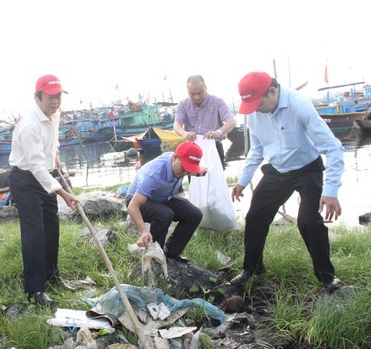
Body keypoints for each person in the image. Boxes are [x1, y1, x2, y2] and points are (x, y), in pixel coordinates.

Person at [230, 72, 345, 292]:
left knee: (308, 222)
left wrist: (330, 191)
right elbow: (257, 149)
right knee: (255, 217)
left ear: (272, 92)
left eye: (258, 103)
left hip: (307, 169)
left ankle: (327, 277)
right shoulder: (255, 113)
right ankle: (251, 269)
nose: (256, 109)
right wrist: (242, 181)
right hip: (277, 170)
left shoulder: (299, 105)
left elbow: (333, 147)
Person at [8, 74, 79, 306]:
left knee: (52, 228)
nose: (55, 101)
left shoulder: (54, 116)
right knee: (34, 233)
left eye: (58, 96)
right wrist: (63, 192)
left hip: (46, 175)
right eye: (50, 97)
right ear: (37, 97)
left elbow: (52, 142)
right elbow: (36, 167)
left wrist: (55, 153)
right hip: (26, 180)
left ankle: (52, 276)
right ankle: (35, 290)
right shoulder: (29, 125)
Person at [126, 141, 204, 262]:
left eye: (189, 170)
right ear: (174, 158)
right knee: (164, 214)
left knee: (194, 214)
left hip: (162, 197)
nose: (185, 173)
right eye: (184, 168)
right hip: (138, 201)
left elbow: (190, 169)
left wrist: (197, 171)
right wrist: (144, 231)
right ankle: (154, 254)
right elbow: (132, 206)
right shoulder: (154, 173)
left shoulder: (181, 166)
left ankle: (170, 253)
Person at [173, 75, 236, 169]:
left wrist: (218, 132)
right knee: (194, 179)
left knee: (216, 179)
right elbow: (177, 125)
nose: (197, 97)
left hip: (214, 147)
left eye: (200, 93)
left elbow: (231, 122)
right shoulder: (183, 104)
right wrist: (184, 133)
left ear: (205, 87)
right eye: (192, 94)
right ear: (187, 91)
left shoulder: (217, 102)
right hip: (192, 148)